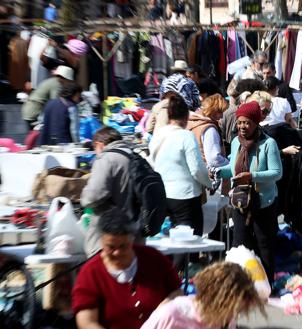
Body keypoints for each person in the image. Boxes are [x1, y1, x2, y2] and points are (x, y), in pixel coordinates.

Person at [72, 208, 182, 329]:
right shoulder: (90, 272)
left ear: (132, 239)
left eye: (123, 246)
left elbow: (177, 292)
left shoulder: (153, 258)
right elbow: (87, 322)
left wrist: (166, 308)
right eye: (111, 247)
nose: (117, 252)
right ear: (101, 242)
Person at [219, 101, 282, 283]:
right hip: (241, 202)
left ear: (256, 122)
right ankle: (241, 286)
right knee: (240, 244)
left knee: (264, 246)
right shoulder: (235, 144)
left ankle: (266, 286)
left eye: (247, 122)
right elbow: (233, 170)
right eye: (240, 122)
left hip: (264, 203)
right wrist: (217, 171)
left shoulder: (269, 144)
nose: (242, 127)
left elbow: (277, 173)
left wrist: (251, 176)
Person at [148, 93, 211, 268]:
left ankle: (169, 278)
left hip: (162, 195)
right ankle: (182, 279)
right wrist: (209, 184)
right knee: (187, 244)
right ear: (186, 117)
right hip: (185, 196)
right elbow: (197, 169)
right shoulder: (186, 136)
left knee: (168, 242)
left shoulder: (158, 136)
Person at [141, 262, 265, 329]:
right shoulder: (171, 315)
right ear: (215, 299)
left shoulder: (225, 321)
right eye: (232, 309)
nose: (233, 315)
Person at [81, 127, 143, 257]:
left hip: (110, 238)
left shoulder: (106, 159)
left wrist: (83, 197)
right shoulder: (136, 156)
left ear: (99, 144)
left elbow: (93, 196)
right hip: (136, 235)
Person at [187, 93, 229, 167]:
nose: (222, 116)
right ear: (213, 110)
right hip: (205, 174)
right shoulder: (209, 129)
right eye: (220, 112)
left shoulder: (191, 122)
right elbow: (214, 160)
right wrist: (229, 164)